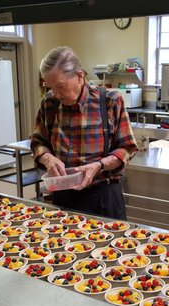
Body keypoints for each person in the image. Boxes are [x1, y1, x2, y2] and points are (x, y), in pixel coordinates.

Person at [30, 46, 139, 220]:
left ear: (80, 76)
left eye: (60, 87)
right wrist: (47, 158)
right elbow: (38, 142)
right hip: (63, 195)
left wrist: (99, 165)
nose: (56, 94)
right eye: (50, 87)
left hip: (103, 195)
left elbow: (127, 149)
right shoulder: (49, 103)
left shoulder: (110, 100)